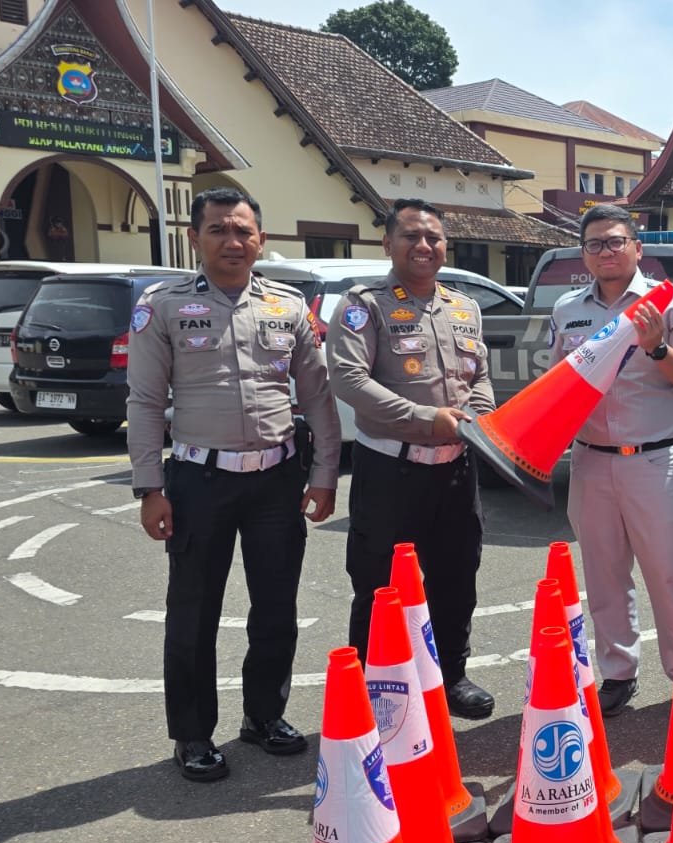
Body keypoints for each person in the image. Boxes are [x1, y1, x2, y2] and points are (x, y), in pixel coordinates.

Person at [126, 186, 341, 782]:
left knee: (276, 606)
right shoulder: (162, 305)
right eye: (218, 229)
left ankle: (264, 716)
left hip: (277, 479)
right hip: (197, 480)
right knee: (193, 611)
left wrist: (324, 474)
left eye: (243, 230)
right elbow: (145, 401)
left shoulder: (288, 306)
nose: (232, 240)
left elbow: (318, 398)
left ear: (261, 240)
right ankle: (193, 733)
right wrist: (150, 487)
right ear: (194, 238)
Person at [327, 199, 497, 719]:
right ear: (388, 244)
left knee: (455, 576)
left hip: (454, 470)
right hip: (390, 470)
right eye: (411, 237)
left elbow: (479, 378)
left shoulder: (464, 307)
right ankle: (369, 691)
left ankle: (452, 677)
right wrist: (429, 418)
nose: (424, 246)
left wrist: (485, 421)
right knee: (379, 586)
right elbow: (349, 380)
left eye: (434, 238)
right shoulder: (364, 305)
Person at [550, 204, 673, 717]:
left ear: (638, 248)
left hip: (652, 460)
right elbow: (559, 385)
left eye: (616, 241)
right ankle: (618, 670)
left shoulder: (668, 302)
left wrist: (659, 349)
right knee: (603, 573)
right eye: (595, 244)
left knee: (668, 574)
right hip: (590, 461)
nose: (606, 251)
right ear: (584, 254)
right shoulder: (567, 309)